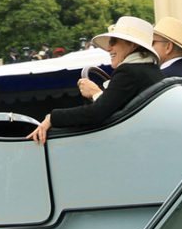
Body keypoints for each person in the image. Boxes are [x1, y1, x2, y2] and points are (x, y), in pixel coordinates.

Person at [27, 17, 163, 145]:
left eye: (113, 42)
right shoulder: (152, 70)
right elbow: (119, 108)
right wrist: (98, 94)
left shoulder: (129, 71)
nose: (109, 48)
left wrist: (52, 117)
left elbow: (96, 114)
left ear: (132, 45)